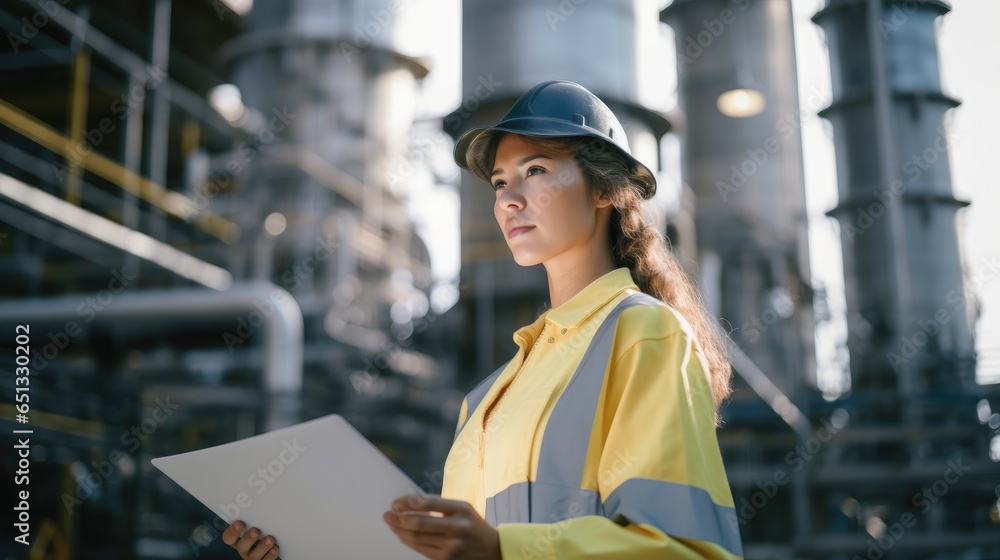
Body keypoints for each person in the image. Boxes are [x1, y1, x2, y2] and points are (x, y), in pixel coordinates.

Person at [222, 80, 742, 560]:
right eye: (499, 182)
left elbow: (683, 548)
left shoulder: (644, 333)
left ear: (605, 189)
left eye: (535, 171)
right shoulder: (487, 397)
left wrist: (500, 550)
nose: (510, 199)